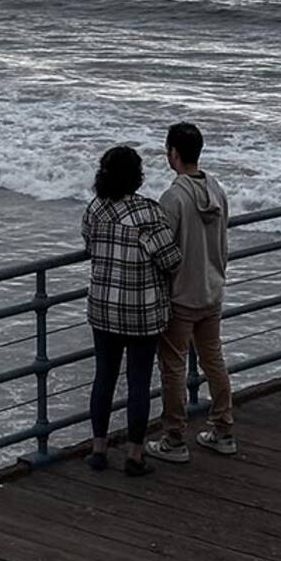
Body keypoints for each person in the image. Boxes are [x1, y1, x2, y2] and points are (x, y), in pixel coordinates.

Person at [83, 146, 182, 475]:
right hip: (141, 311)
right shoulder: (148, 214)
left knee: (104, 377)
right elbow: (171, 259)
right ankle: (135, 455)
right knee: (139, 381)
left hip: (103, 308)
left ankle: (98, 449)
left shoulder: (95, 209)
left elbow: (89, 245)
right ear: (137, 177)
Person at [147, 121, 236, 461]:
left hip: (182, 295)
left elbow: (163, 251)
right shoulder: (216, 188)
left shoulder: (173, 197)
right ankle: (224, 429)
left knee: (173, 367)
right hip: (212, 290)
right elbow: (223, 241)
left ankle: (174, 438)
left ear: (174, 153)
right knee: (214, 359)